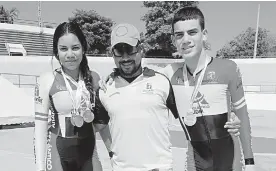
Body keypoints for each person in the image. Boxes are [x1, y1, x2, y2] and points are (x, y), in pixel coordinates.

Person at [99, 23, 241, 171]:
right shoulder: (104, 88)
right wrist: (111, 151)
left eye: (130, 50)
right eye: (118, 52)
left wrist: (232, 118)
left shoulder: (162, 81)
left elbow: (196, 110)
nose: (125, 57)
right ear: (112, 53)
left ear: (141, 50)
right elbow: (99, 124)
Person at [161, 7, 255, 171]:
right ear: (173, 39)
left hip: (230, 163)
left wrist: (249, 161)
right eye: (179, 34)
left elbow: (243, 118)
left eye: (192, 32)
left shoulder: (227, 68)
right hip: (194, 163)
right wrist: (109, 80)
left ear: (204, 34)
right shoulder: (168, 74)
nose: (186, 39)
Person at [33, 21, 110, 171]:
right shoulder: (46, 80)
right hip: (58, 157)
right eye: (63, 49)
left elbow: (102, 123)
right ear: (56, 51)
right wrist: (40, 167)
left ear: (83, 48)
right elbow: (40, 129)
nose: (70, 55)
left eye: (75, 48)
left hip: (89, 157)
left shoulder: (95, 78)